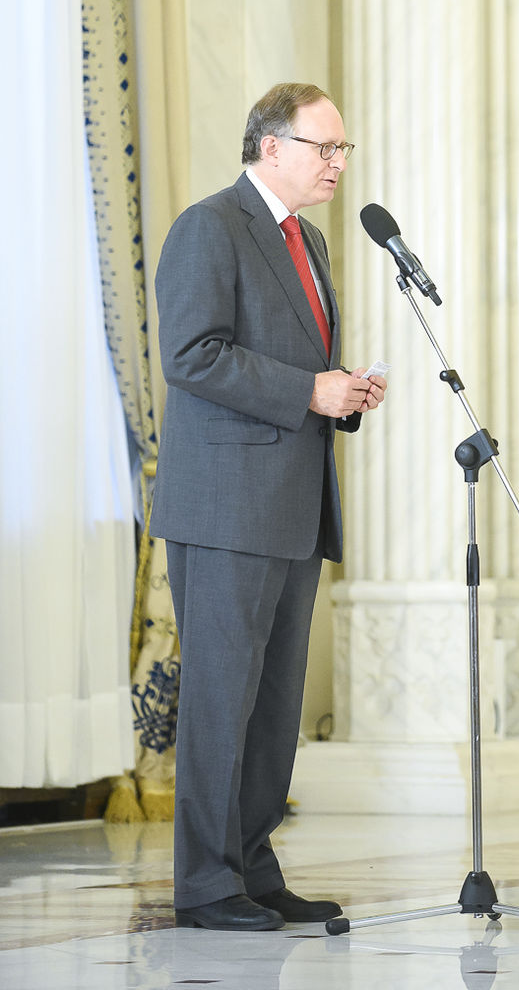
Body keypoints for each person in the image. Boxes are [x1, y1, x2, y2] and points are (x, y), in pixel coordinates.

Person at [150, 82, 387, 931]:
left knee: (275, 703)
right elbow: (191, 354)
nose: (336, 163)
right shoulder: (209, 227)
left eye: (342, 149)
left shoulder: (309, 241)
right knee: (223, 700)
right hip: (224, 510)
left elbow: (292, 365)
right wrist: (306, 389)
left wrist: (343, 393)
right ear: (269, 146)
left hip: (290, 505)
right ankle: (207, 886)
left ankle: (252, 864)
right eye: (324, 147)